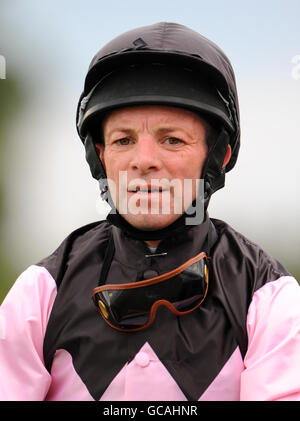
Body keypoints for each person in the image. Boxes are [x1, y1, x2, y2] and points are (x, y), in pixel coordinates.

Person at [0, 22, 299, 402]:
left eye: (171, 140)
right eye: (123, 140)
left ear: (217, 158)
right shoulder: (40, 292)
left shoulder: (268, 296)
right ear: (100, 157)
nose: (144, 161)